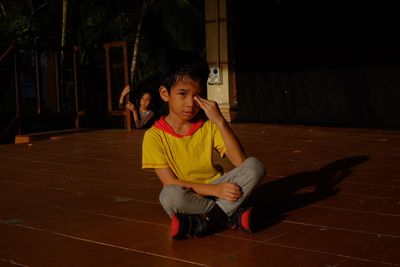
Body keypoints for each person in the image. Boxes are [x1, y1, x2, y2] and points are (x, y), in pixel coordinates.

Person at [142, 50, 266, 240]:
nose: (191, 103)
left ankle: (204, 222)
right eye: (182, 94)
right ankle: (230, 216)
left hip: (219, 188)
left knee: (255, 166)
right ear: (165, 94)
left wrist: (220, 122)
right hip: (191, 193)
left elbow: (240, 161)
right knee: (168, 195)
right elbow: (171, 182)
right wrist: (215, 191)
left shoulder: (208, 127)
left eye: (197, 95)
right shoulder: (153, 136)